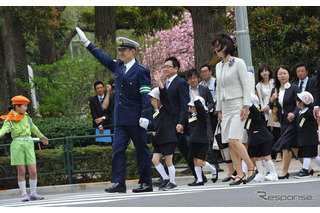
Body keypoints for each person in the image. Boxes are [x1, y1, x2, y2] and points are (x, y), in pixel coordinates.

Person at [76, 27, 153, 193]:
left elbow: (145, 95)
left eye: (123, 50)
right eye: (119, 50)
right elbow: (102, 57)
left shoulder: (141, 71)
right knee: (118, 150)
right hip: (120, 119)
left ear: (133, 51)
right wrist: (87, 43)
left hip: (136, 119)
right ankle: (119, 183)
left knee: (141, 150)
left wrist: (146, 115)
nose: (120, 53)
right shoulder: (118, 66)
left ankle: (146, 182)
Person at [212, 31, 256, 186]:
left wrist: (246, 106)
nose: (216, 50)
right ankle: (240, 174)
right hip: (226, 106)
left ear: (226, 46)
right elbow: (218, 90)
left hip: (238, 104)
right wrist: (220, 110)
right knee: (229, 142)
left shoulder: (238, 62)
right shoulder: (218, 66)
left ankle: (251, 167)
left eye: (218, 46)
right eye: (215, 47)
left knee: (234, 139)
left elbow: (246, 85)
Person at [0, 95, 49, 202]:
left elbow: (33, 128)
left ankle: (33, 193)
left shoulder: (27, 117)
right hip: (17, 144)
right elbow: (4, 129)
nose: (26, 108)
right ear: (17, 106)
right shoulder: (10, 118)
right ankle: (24, 194)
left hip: (29, 144)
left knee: (33, 171)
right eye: (24, 106)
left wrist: (42, 137)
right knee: (21, 171)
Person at [269, 65, 304, 179]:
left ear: (289, 74)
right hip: (283, 120)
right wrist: (272, 99)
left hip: (294, 120)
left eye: (285, 73)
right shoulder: (275, 90)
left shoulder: (294, 88)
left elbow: (300, 104)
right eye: (280, 73)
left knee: (285, 144)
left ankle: (284, 171)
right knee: (294, 147)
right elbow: (271, 107)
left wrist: (294, 113)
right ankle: (307, 168)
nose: (282, 75)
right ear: (277, 76)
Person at [186, 68, 223, 172]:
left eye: (194, 78)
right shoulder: (186, 90)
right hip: (191, 119)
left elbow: (211, 102)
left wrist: (206, 109)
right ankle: (197, 167)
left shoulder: (204, 88)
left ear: (198, 78)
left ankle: (215, 164)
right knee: (194, 141)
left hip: (204, 117)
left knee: (209, 139)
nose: (192, 80)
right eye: (190, 78)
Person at [148, 70, 178, 191]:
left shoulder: (167, 108)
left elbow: (164, 95)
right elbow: (156, 124)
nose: (151, 102)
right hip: (159, 139)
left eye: (153, 99)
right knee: (155, 160)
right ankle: (165, 179)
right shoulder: (157, 112)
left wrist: (159, 82)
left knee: (169, 161)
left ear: (159, 99)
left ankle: (172, 182)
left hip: (168, 138)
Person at [187, 90, 218, 186]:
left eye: (192, 107)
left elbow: (200, 108)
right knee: (195, 160)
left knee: (200, 161)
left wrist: (195, 97)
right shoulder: (192, 116)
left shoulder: (203, 115)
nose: (191, 108)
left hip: (201, 141)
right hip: (194, 141)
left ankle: (213, 170)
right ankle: (199, 180)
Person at [246, 93, 278, 182]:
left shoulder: (257, 111)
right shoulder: (247, 114)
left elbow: (254, 111)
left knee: (266, 156)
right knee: (257, 157)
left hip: (263, 138)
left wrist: (248, 102)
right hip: (254, 139)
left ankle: (273, 173)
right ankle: (261, 173)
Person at [199, 65, 224, 171]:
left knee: (217, 134)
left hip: (216, 111)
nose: (204, 73)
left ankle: (221, 156)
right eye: (202, 72)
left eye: (205, 71)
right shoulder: (201, 85)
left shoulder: (216, 81)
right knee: (210, 136)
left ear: (210, 71)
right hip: (206, 113)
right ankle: (213, 157)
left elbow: (218, 96)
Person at [255, 64, 282, 162]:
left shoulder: (274, 82)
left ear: (269, 72)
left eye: (266, 70)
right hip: (264, 111)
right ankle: (269, 154)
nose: (264, 73)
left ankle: (278, 153)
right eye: (262, 71)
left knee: (277, 131)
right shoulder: (258, 85)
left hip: (274, 109)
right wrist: (263, 108)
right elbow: (258, 99)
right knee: (267, 133)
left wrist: (269, 105)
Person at [293, 91, 320, 178]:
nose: (297, 102)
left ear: (303, 102)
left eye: (298, 101)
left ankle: (305, 171)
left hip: (310, 139)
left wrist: (309, 103)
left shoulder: (309, 112)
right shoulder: (301, 112)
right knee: (313, 156)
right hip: (303, 139)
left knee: (307, 155)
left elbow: (313, 112)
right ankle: (305, 170)